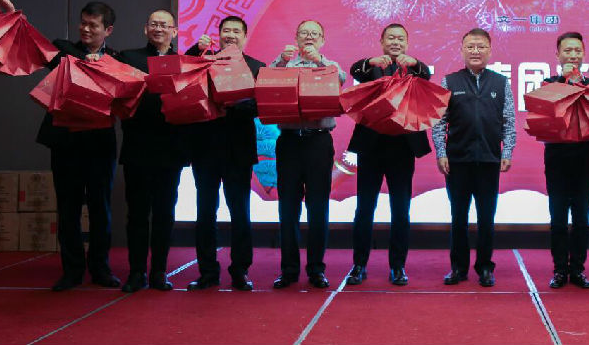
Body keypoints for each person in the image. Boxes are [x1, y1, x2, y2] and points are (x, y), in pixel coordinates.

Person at [0, 0, 122, 291]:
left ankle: (100, 268)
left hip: (100, 145)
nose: (86, 29)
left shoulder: (117, 60)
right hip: (66, 144)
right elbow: (32, 43)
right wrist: (13, 15)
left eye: (93, 25)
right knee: (68, 208)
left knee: (100, 208)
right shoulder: (64, 51)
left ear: (108, 30)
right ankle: (72, 270)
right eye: (83, 23)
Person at [345, 23, 432, 287]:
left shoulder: (415, 68)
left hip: (402, 148)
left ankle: (398, 266)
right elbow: (354, 70)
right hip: (371, 147)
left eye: (400, 39)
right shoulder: (371, 67)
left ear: (407, 43)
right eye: (391, 38)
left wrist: (415, 63)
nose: (396, 42)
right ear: (382, 42)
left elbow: (427, 75)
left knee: (401, 210)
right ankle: (359, 265)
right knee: (364, 208)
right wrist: (370, 61)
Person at [185, 15, 265, 291]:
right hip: (205, 148)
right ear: (218, 35)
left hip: (238, 150)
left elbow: (261, 106)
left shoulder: (256, 67)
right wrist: (196, 50)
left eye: (236, 31)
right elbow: (182, 77)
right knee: (205, 212)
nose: (230, 35)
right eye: (226, 30)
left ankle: (240, 270)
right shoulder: (204, 61)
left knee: (240, 212)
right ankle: (207, 271)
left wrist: (232, 103)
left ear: (244, 36)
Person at [432, 27, 516, 288]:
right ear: (462, 51)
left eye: (481, 46)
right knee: (458, 217)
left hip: (489, 160)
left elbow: (509, 121)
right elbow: (439, 122)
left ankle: (485, 268)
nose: (475, 51)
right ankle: (458, 268)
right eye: (470, 46)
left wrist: (507, 151)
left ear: (490, 51)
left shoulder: (501, 82)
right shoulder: (450, 82)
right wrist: (441, 152)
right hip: (457, 161)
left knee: (486, 218)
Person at [271, 20, 347, 289]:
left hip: (318, 142)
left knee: (318, 206)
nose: (309, 37)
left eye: (315, 34)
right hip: (289, 142)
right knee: (288, 207)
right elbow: (265, 81)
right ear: (296, 37)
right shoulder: (284, 65)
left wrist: (319, 62)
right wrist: (281, 60)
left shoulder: (329, 65)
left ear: (322, 40)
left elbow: (340, 79)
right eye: (304, 33)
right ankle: (289, 270)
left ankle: (316, 269)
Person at [117, 10, 189, 292]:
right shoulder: (128, 58)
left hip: (171, 147)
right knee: (136, 213)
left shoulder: (184, 63)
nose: (159, 29)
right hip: (137, 145)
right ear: (145, 29)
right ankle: (136, 272)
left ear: (175, 31)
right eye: (154, 24)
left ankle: (159, 271)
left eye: (164, 25)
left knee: (164, 213)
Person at [542, 32, 589, 289]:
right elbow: (544, 115)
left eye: (577, 51)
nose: (573, 55)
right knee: (558, 218)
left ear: (584, 54)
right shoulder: (548, 84)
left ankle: (577, 269)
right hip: (556, 157)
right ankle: (559, 270)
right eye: (567, 51)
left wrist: (578, 84)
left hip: (585, 156)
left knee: (581, 218)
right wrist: (564, 83)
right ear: (558, 55)